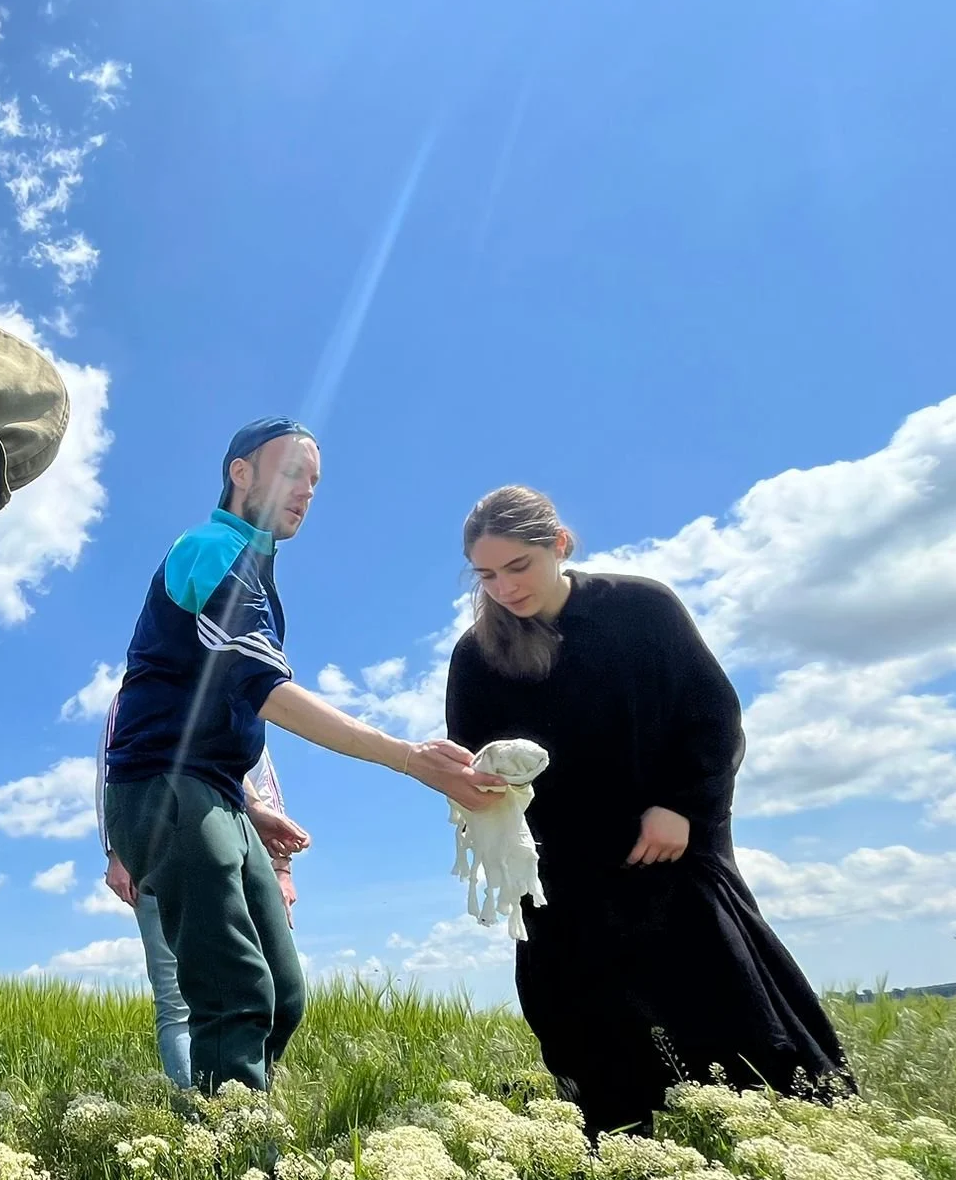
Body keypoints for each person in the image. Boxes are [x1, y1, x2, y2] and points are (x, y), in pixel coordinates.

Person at [101, 416, 501, 1093]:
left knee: (283, 995)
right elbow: (264, 690)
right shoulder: (212, 548)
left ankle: (227, 1121)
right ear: (241, 473)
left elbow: (216, 702)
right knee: (235, 996)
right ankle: (238, 1168)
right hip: (164, 789)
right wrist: (408, 758)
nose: (306, 492)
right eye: (291, 473)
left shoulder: (254, 570)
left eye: (315, 483)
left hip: (219, 793)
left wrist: (253, 805)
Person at [444, 485, 851, 1137]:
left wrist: (682, 807)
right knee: (579, 1006)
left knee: (722, 988)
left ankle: (794, 1127)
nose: (504, 589)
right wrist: (483, 778)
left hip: (667, 838)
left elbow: (713, 716)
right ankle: (623, 1137)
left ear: (560, 546)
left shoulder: (643, 609)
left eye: (518, 567)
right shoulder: (476, 655)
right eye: (487, 576)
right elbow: (468, 756)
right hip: (559, 860)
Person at [98, 697, 306, 1088]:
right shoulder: (142, 686)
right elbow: (114, 761)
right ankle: (198, 1111)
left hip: (240, 833)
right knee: (182, 997)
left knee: (278, 992)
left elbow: (263, 779)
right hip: (166, 830)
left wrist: (282, 869)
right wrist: (117, 852)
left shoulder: (245, 695)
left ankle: (243, 1101)